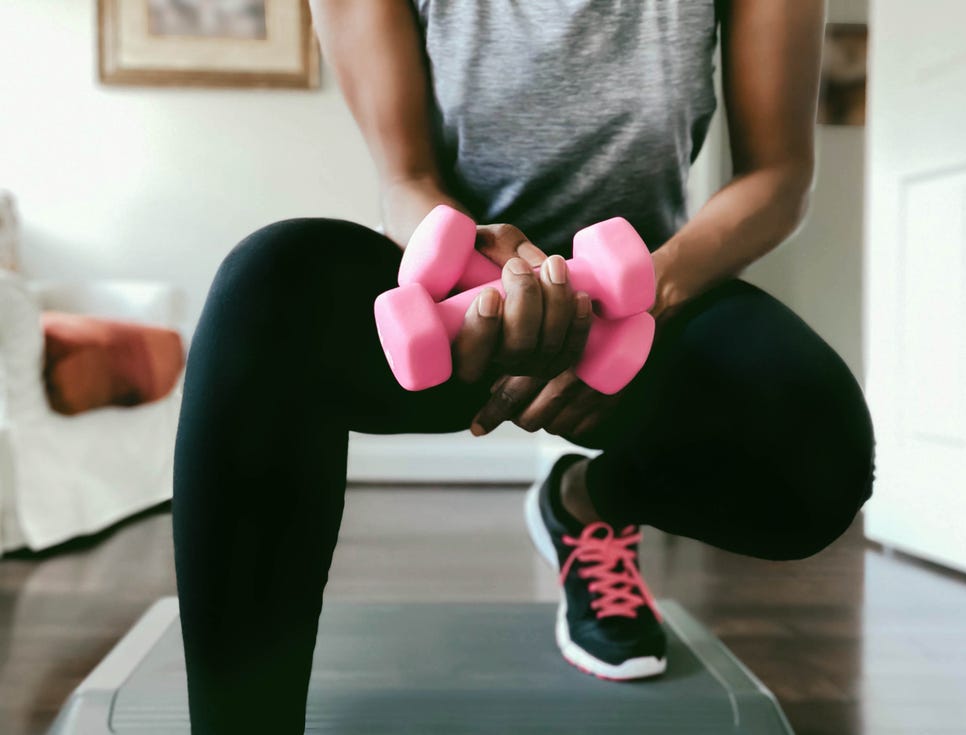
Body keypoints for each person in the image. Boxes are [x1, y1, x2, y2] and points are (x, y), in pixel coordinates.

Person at [172, 1, 875, 731]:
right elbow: (405, 177)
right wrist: (489, 283)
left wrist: (648, 295)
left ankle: (586, 503)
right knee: (267, 286)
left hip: (646, 299)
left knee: (819, 450)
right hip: (462, 292)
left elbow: (778, 174)